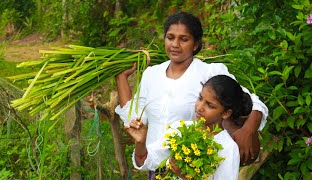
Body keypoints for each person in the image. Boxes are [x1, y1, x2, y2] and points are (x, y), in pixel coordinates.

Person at [115, 11, 268, 176]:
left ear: (196, 44)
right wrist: (122, 78)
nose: (175, 44)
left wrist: (247, 131)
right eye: (170, 37)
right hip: (156, 168)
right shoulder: (151, 74)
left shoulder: (209, 72)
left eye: (184, 39)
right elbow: (135, 119)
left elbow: (250, 102)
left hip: (195, 170)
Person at [168, 74, 253, 179]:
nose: (199, 107)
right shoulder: (180, 128)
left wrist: (187, 177)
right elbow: (152, 158)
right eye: (200, 98)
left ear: (225, 113)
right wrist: (141, 142)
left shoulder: (228, 149)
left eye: (210, 105)